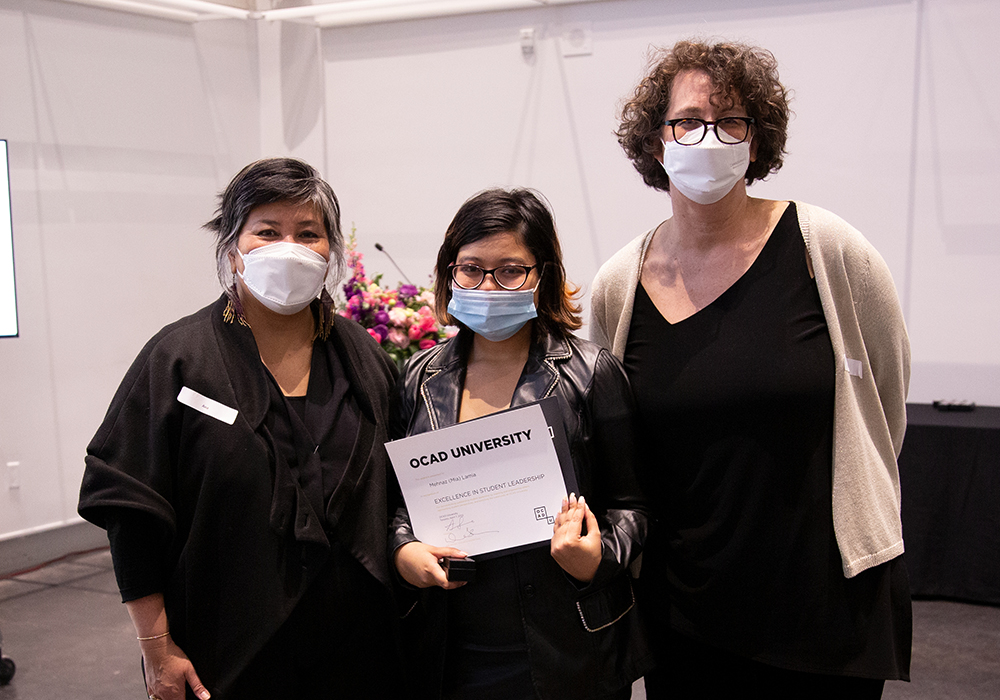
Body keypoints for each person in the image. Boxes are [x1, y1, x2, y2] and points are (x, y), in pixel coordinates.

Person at [591, 40, 912, 698]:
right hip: (681, 615)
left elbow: (885, 404)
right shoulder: (617, 286)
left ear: (757, 141)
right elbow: (612, 438)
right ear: (656, 143)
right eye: (687, 121)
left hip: (824, 606)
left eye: (731, 120)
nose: (708, 137)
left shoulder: (830, 251)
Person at [78, 158, 403, 699]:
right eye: (267, 232)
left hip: (359, 655)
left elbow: (401, 485)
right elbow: (131, 507)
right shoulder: (180, 359)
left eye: (308, 233)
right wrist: (157, 648)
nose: (289, 247)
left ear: (331, 253)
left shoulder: (362, 357)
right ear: (233, 247)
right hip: (228, 658)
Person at [391, 188, 652, 700]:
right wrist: (404, 549)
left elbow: (634, 505)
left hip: (570, 645)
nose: (488, 286)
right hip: (451, 647)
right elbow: (398, 499)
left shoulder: (591, 373)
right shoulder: (420, 376)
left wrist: (597, 556)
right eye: (470, 269)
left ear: (543, 275)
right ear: (449, 273)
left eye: (510, 270)